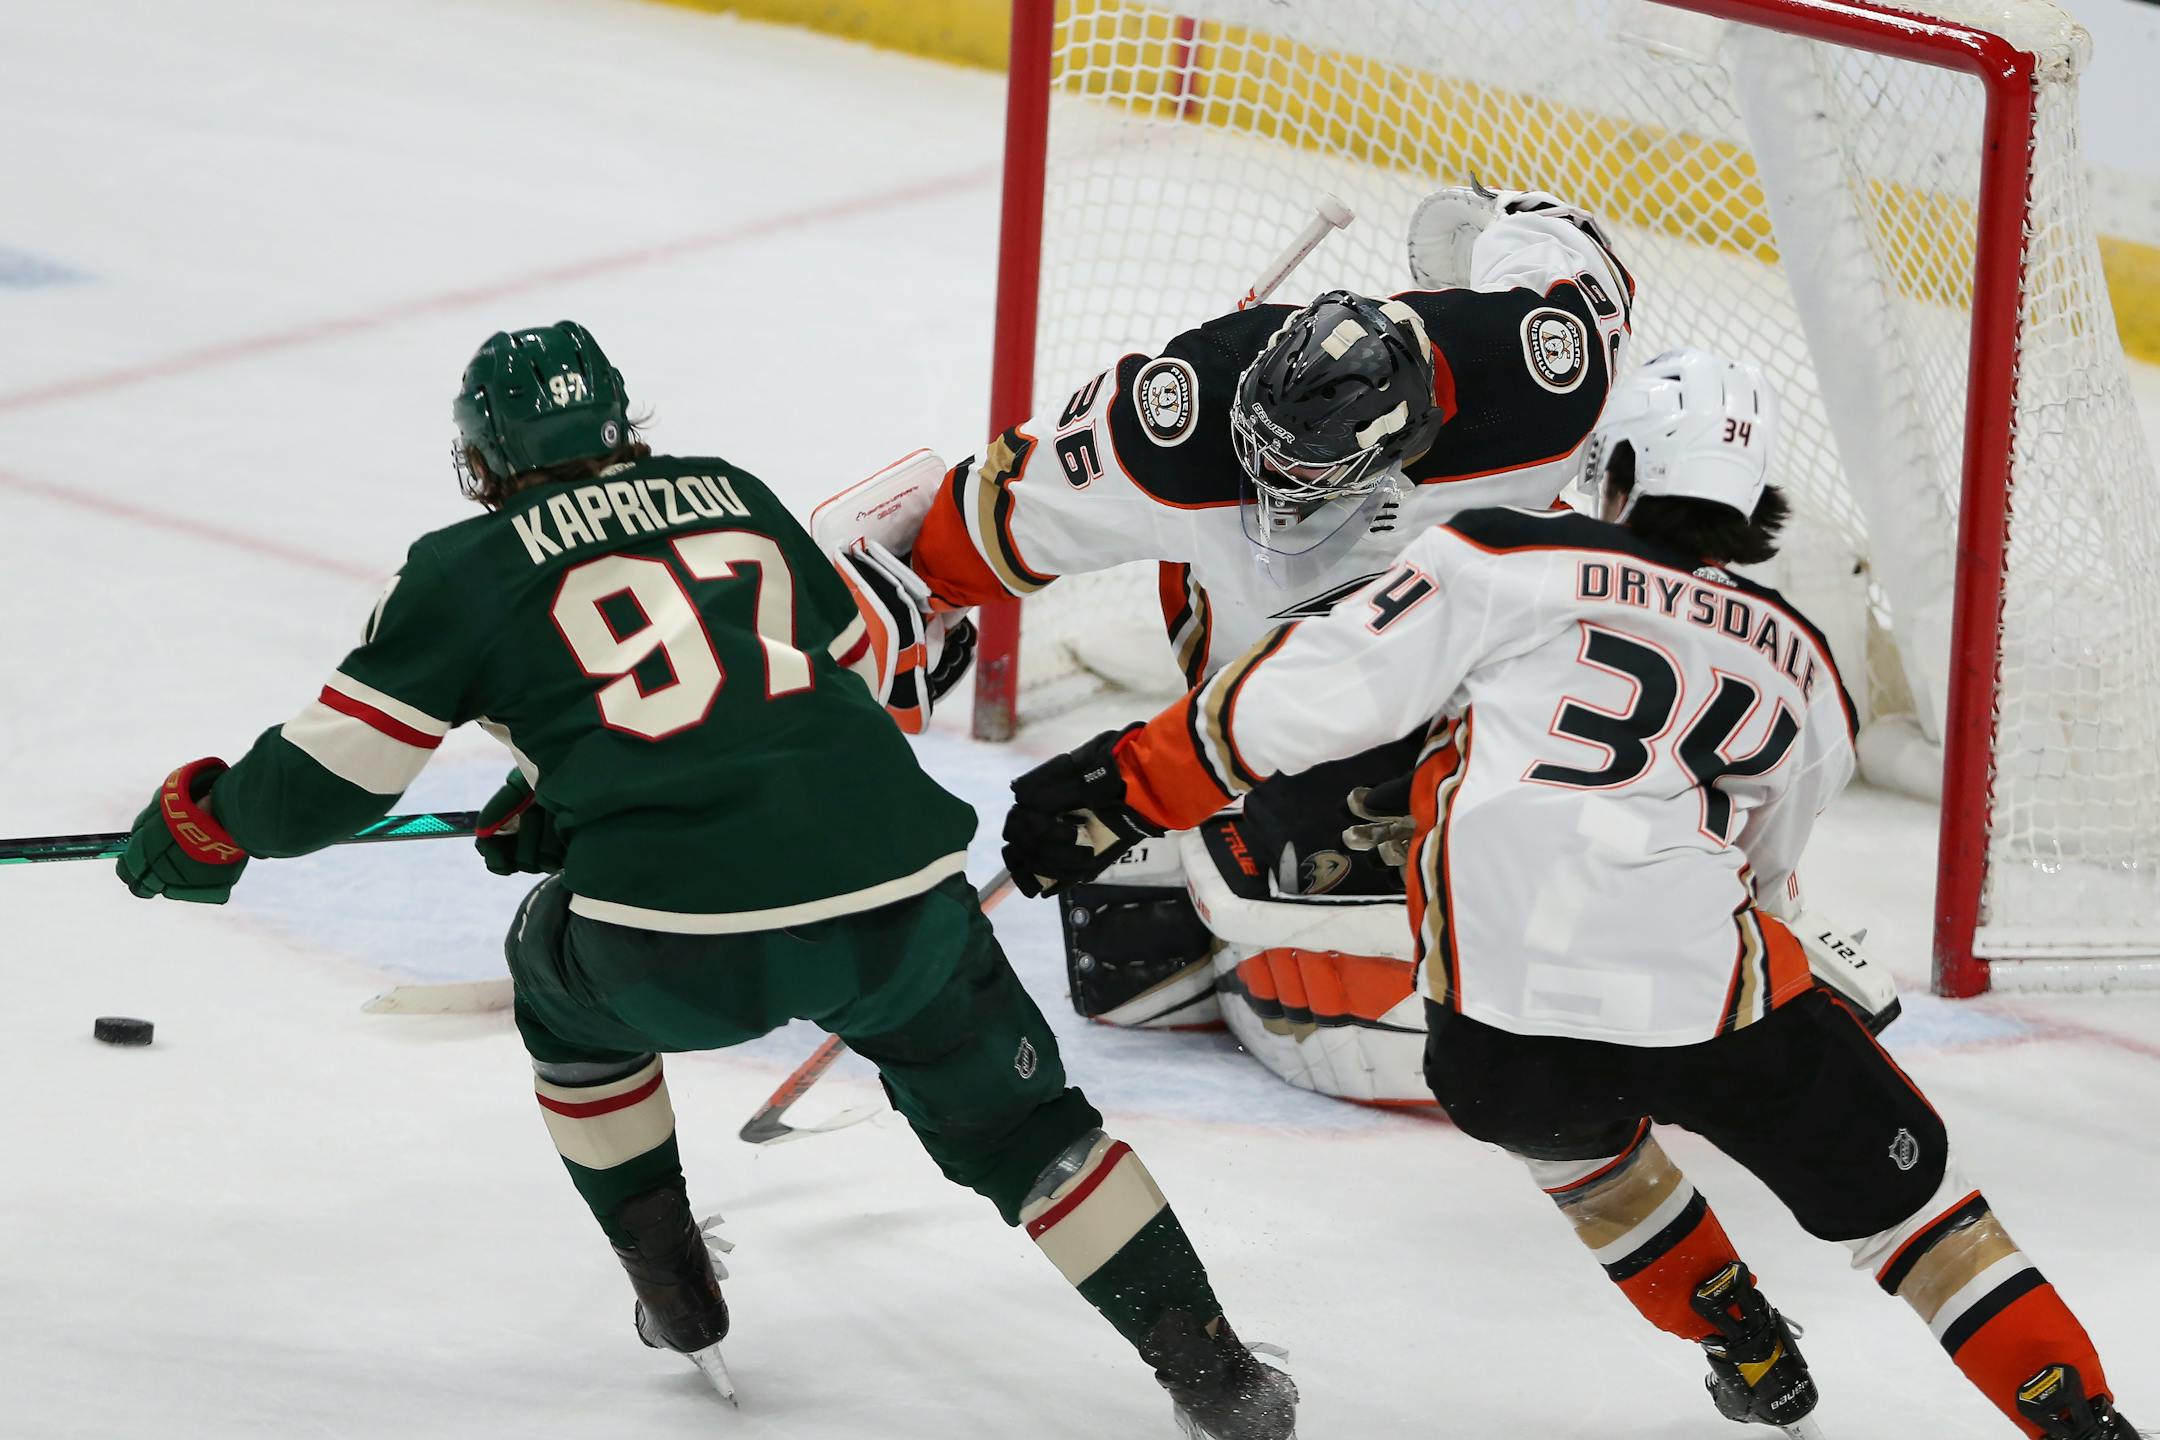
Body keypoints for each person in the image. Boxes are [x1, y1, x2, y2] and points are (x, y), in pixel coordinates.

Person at [111, 321, 1297, 1439]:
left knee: (553, 977)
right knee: (1032, 1131)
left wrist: (208, 826)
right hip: (899, 893)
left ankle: (676, 1289)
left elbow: (332, 780)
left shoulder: (459, 568)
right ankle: (1219, 1376)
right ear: (625, 424)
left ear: (477, 461)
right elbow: (867, 682)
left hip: (671, 945)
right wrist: (585, 789)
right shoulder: (730, 491)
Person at [1001, 348, 2137, 1437]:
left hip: (1490, 1039)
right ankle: (2080, 1419)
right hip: (1710, 1006)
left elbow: (1302, 701)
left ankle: (1733, 1333)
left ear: (1625, 467)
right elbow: (1771, 870)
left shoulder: (1500, 558)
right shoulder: (1802, 666)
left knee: (1573, 1142)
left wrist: (1117, 790)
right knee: (1923, 1211)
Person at [824, 184, 1635, 1084]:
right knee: (1272, 852)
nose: (1274, 493)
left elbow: (1571, 250)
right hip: (1259, 656)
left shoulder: (1540, 381)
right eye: (1265, 460)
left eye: (1305, 476)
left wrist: (1493, 220)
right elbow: (1009, 511)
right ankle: (1230, 804)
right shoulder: (1180, 426)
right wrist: (921, 594)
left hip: (1468, 651)